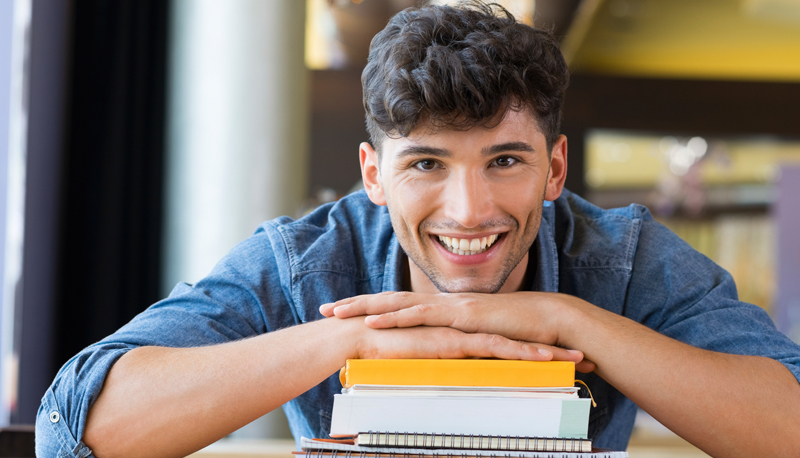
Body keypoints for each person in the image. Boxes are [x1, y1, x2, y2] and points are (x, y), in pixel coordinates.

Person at [37, 2, 800, 457]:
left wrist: (568, 318)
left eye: (505, 160)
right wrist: (353, 340)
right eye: (427, 164)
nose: (469, 210)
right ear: (373, 175)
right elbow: (75, 431)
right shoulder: (308, 260)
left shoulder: (622, 256)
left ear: (556, 168)